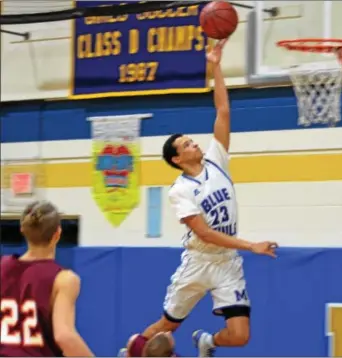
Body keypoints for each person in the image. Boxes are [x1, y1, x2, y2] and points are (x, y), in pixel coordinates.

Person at [124, 39, 278, 357]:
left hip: (226, 264)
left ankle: (207, 342)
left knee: (239, 336)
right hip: (198, 262)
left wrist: (215, 65)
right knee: (166, 328)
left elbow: (222, 109)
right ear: (177, 159)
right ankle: (130, 352)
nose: (194, 144)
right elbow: (205, 233)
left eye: (193, 141)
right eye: (187, 144)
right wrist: (252, 245)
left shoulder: (216, 159)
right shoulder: (179, 191)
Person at [0, 201, 94, 357]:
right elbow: (64, 336)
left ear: (23, 229)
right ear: (58, 233)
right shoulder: (64, 279)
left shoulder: (2, 267)